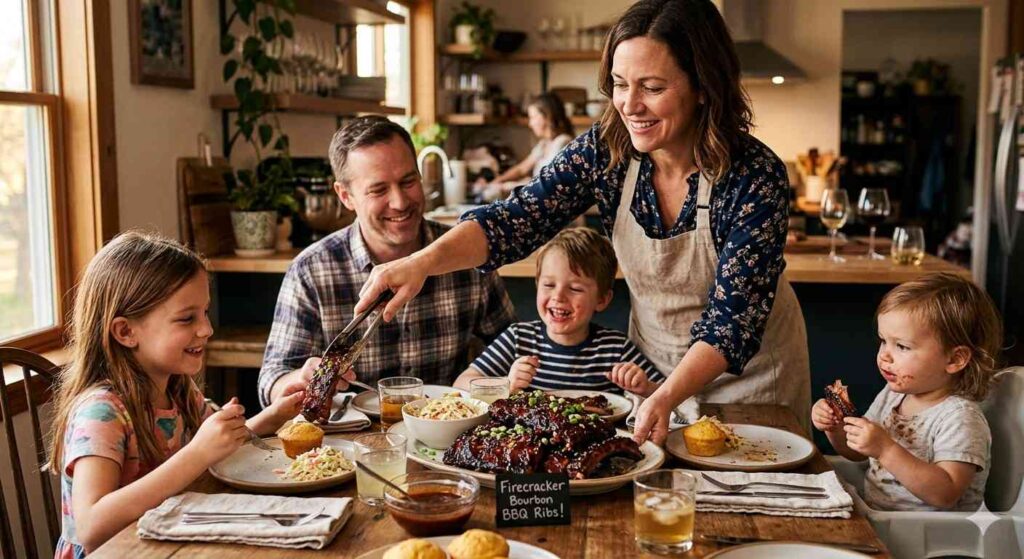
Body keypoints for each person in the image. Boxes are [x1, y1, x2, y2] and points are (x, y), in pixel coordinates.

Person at [355, 0, 810, 444]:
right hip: (647, 373)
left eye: (652, 87)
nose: (629, 105)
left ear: (703, 87)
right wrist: (420, 263)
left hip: (748, 385)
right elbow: (514, 221)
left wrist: (670, 395)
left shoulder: (753, 174)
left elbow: (730, 325)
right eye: (618, 84)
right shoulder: (607, 149)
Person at [47, 232, 305, 557]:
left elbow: (220, 444)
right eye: (187, 318)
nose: (207, 329)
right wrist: (197, 454)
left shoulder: (177, 388)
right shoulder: (102, 411)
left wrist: (276, 415)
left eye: (205, 312)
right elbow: (91, 527)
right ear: (126, 332)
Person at [259, 116, 516, 408]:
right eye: (379, 190)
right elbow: (273, 377)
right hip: (347, 441)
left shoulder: (463, 252)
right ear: (346, 196)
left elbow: (511, 346)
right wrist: (298, 379)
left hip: (444, 437)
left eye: (408, 182)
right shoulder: (312, 270)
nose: (399, 202)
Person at [813, 273, 1002, 511]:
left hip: (931, 536)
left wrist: (885, 449)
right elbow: (858, 452)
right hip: (881, 519)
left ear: (955, 359)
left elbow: (946, 493)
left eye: (901, 346)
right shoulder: (893, 395)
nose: (885, 355)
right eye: (883, 341)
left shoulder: (960, 418)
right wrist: (835, 427)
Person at [454, 227, 663, 396]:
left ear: (601, 299)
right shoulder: (518, 339)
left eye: (575, 289)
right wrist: (504, 385)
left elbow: (666, 394)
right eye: (549, 285)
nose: (559, 296)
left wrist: (644, 387)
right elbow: (460, 383)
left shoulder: (615, 349)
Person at [473, 93, 575, 200]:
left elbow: (546, 183)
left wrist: (508, 186)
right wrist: (495, 182)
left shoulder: (563, 142)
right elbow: (521, 169)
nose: (530, 124)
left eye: (533, 117)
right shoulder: (544, 144)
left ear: (547, 117)